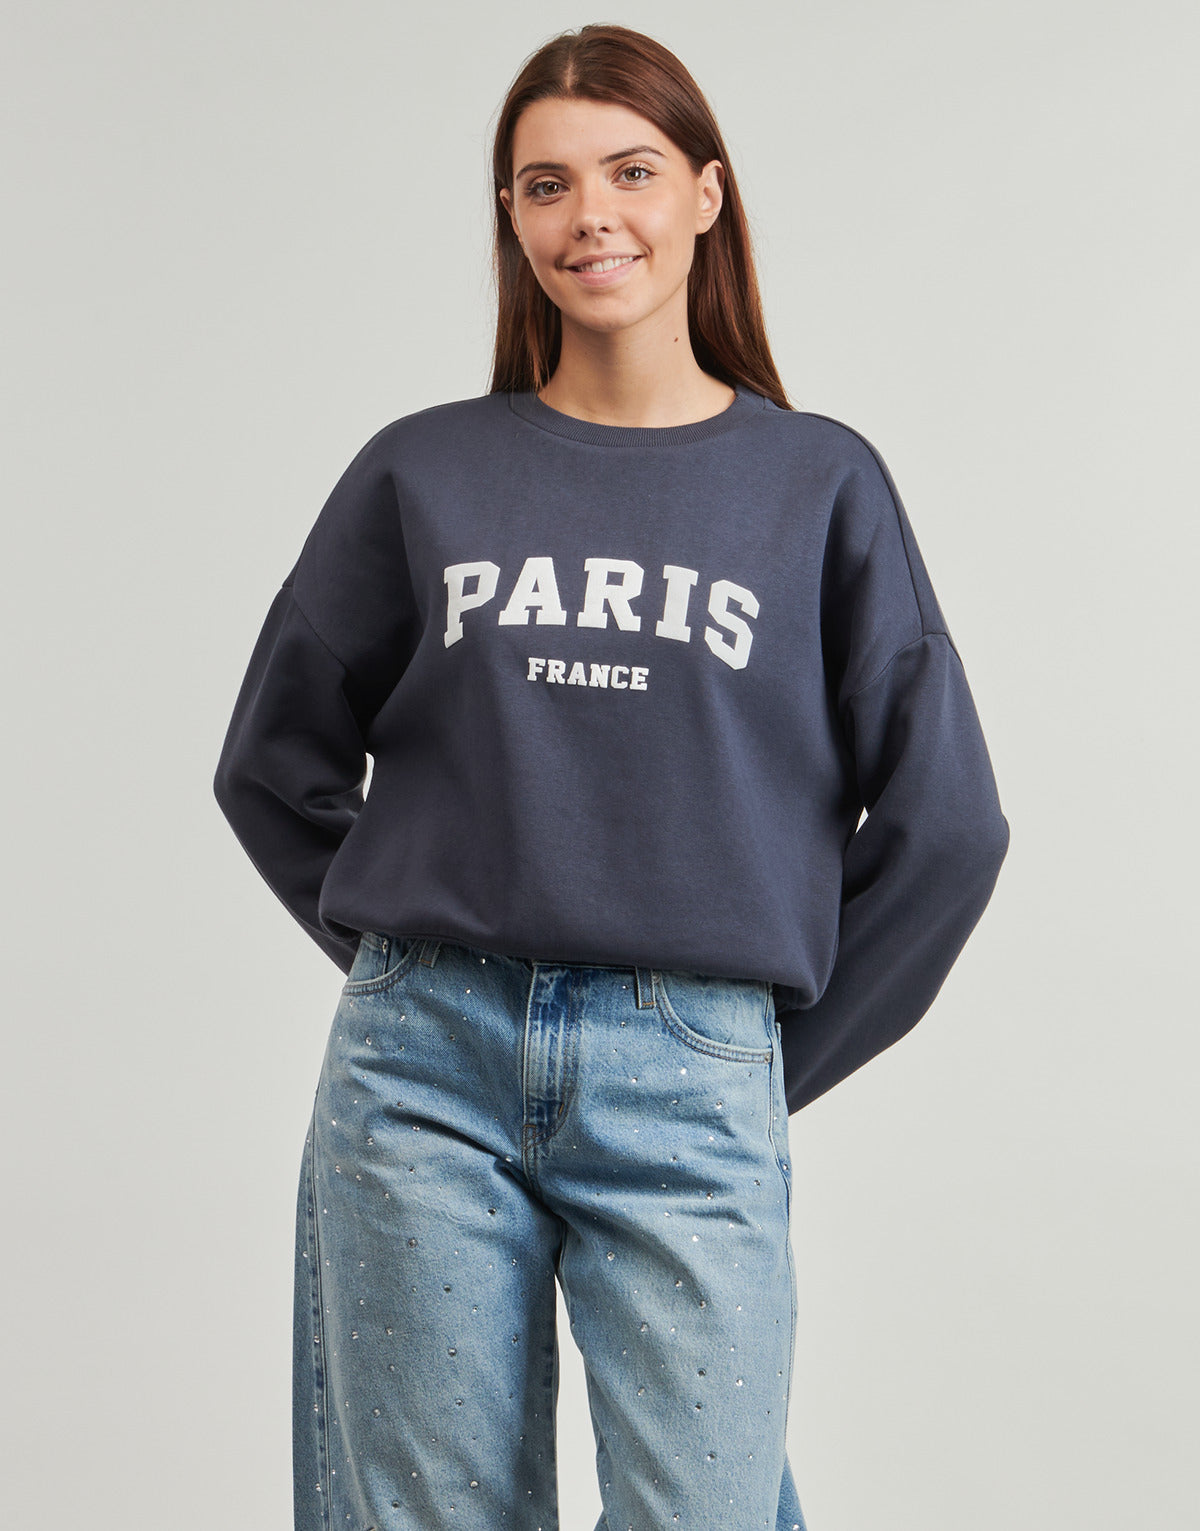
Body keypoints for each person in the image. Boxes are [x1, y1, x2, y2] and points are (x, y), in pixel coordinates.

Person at [213, 22, 1010, 1531]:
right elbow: (273, 760)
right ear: (511, 219)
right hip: (421, 1078)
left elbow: (948, 827)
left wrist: (757, 1058)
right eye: (547, 184)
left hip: (690, 1076)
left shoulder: (816, 484)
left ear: (706, 193)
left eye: (632, 171)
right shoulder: (422, 471)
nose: (593, 216)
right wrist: (410, 953)